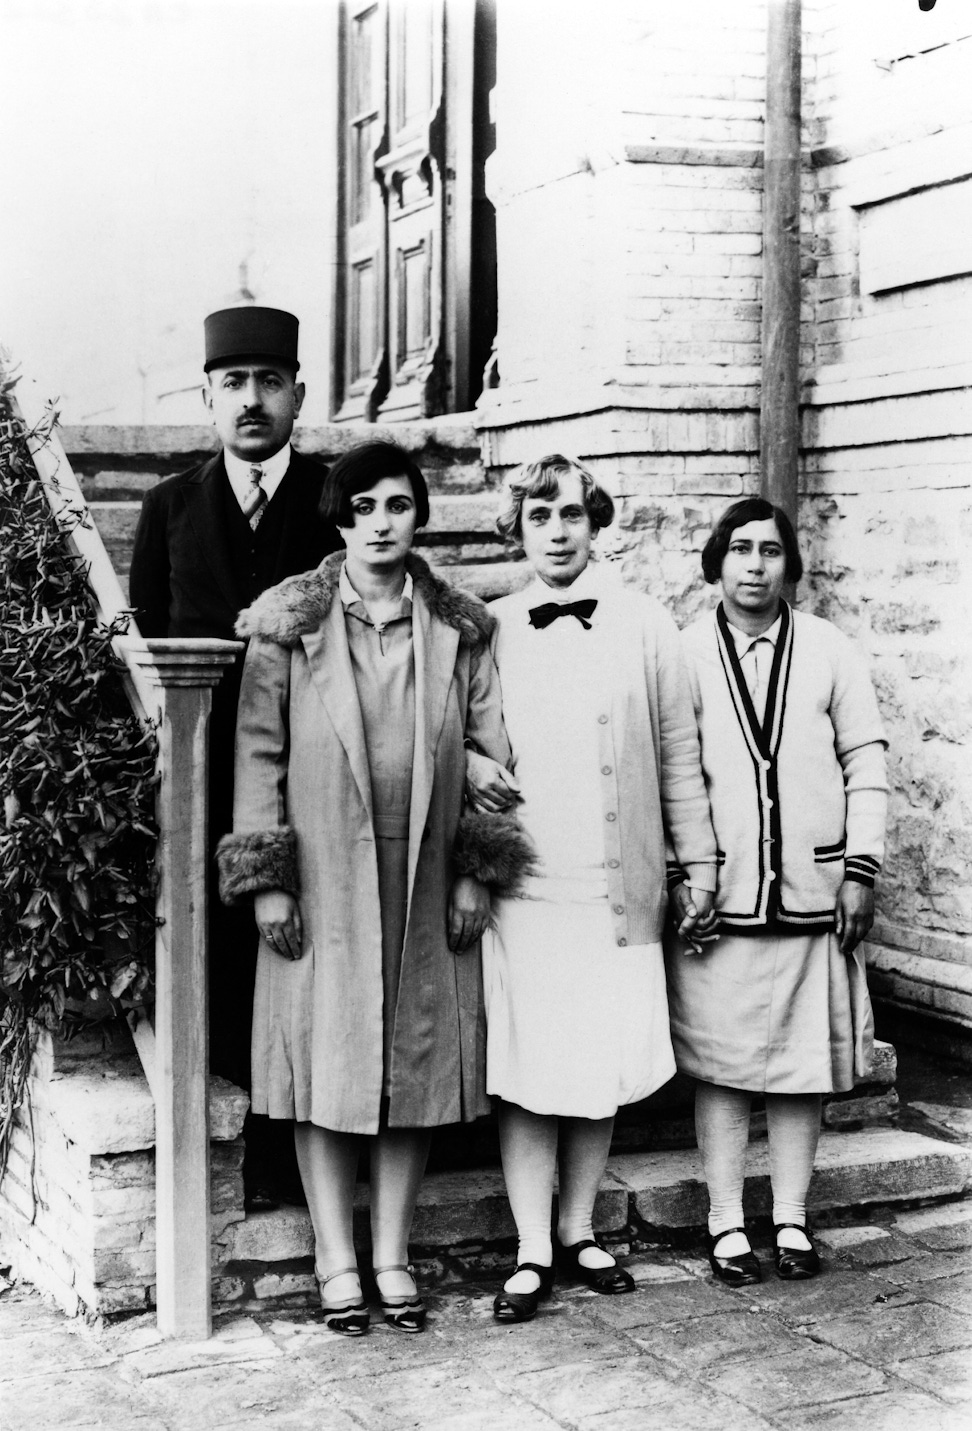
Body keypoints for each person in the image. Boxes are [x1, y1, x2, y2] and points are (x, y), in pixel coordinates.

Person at [216, 440, 533, 1336]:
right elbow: (259, 755)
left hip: (427, 874)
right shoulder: (290, 623)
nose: (382, 522)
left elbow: (492, 753)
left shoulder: (461, 627)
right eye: (362, 508)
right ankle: (333, 1257)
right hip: (323, 874)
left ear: (419, 514)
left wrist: (478, 869)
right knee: (327, 1062)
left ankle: (391, 1252)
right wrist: (269, 881)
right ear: (340, 519)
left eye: (398, 504)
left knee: (414, 1061)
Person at [466, 454, 718, 1323]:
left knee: (598, 1060)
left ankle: (580, 1229)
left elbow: (681, 757)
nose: (558, 531)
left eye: (572, 514)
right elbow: (452, 728)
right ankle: (532, 1245)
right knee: (535, 1066)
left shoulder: (647, 625)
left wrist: (700, 867)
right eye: (540, 516)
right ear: (518, 527)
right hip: (529, 886)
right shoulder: (490, 626)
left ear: (596, 521)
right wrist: (468, 762)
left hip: (616, 887)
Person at [129, 304, 343, 1210]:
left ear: (299, 391)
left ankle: (326, 1152)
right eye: (232, 385)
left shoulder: (344, 499)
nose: (251, 402)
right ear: (206, 398)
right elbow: (139, 647)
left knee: (319, 958)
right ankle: (248, 1159)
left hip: (325, 781)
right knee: (225, 962)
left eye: (268, 382)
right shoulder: (170, 507)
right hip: (207, 781)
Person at [666, 496, 888, 1285]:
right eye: (739, 550)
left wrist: (860, 868)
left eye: (769, 551)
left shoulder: (830, 649)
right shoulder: (683, 652)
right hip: (720, 903)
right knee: (724, 1067)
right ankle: (726, 1222)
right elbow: (672, 774)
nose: (754, 565)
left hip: (812, 895)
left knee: (803, 1068)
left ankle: (792, 1217)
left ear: (790, 565)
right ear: (715, 563)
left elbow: (866, 763)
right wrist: (680, 876)